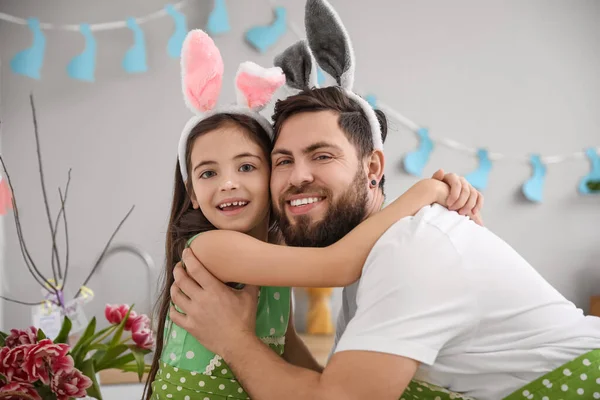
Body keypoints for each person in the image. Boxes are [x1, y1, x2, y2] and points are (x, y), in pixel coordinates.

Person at [167, 1, 600, 400]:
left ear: (373, 168)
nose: (298, 176)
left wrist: (235, 341)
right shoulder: (364, 263)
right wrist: (426, 191)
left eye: (321, 155)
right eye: (283, 160)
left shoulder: (412, 249)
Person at [143, 28, 482, 400]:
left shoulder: (273, 248)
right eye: (208, 173)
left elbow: (285, 342)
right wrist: (424, 191)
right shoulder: (211, 248)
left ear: (273, 175)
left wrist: (323, 386)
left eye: (246, 167)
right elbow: (337, 265)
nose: (227, 184)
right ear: (191, 193)